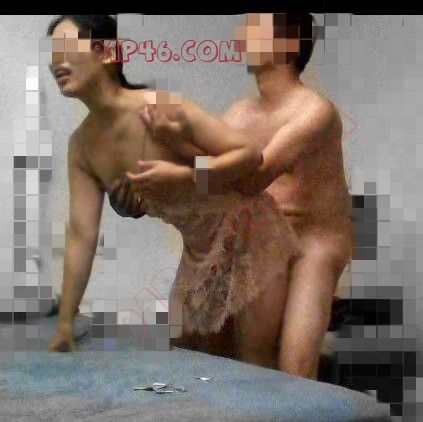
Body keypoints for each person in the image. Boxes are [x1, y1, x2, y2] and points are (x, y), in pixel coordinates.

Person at [112, 13, 353, 379]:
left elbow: (251, 179)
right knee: (209, 348)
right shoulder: (240, 114)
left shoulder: (316, 113)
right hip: (263, 234)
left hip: (314, 241)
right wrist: (142, 193)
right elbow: (215, 174)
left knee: (294, 365)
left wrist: (176, 147)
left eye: (255, 28)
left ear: (288, 44)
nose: (242, 35)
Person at [45, 14, 298, 363]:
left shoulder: (157, 108)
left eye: (66, 48)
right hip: (199, 251)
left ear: (107, 54)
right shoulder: (82, 146)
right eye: (52, 53)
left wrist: (185, 176)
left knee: (254, 360)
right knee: (190, 356)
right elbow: (81, 235)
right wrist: (64, 323)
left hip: (253, 233)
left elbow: (249, 156)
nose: (56, 62)